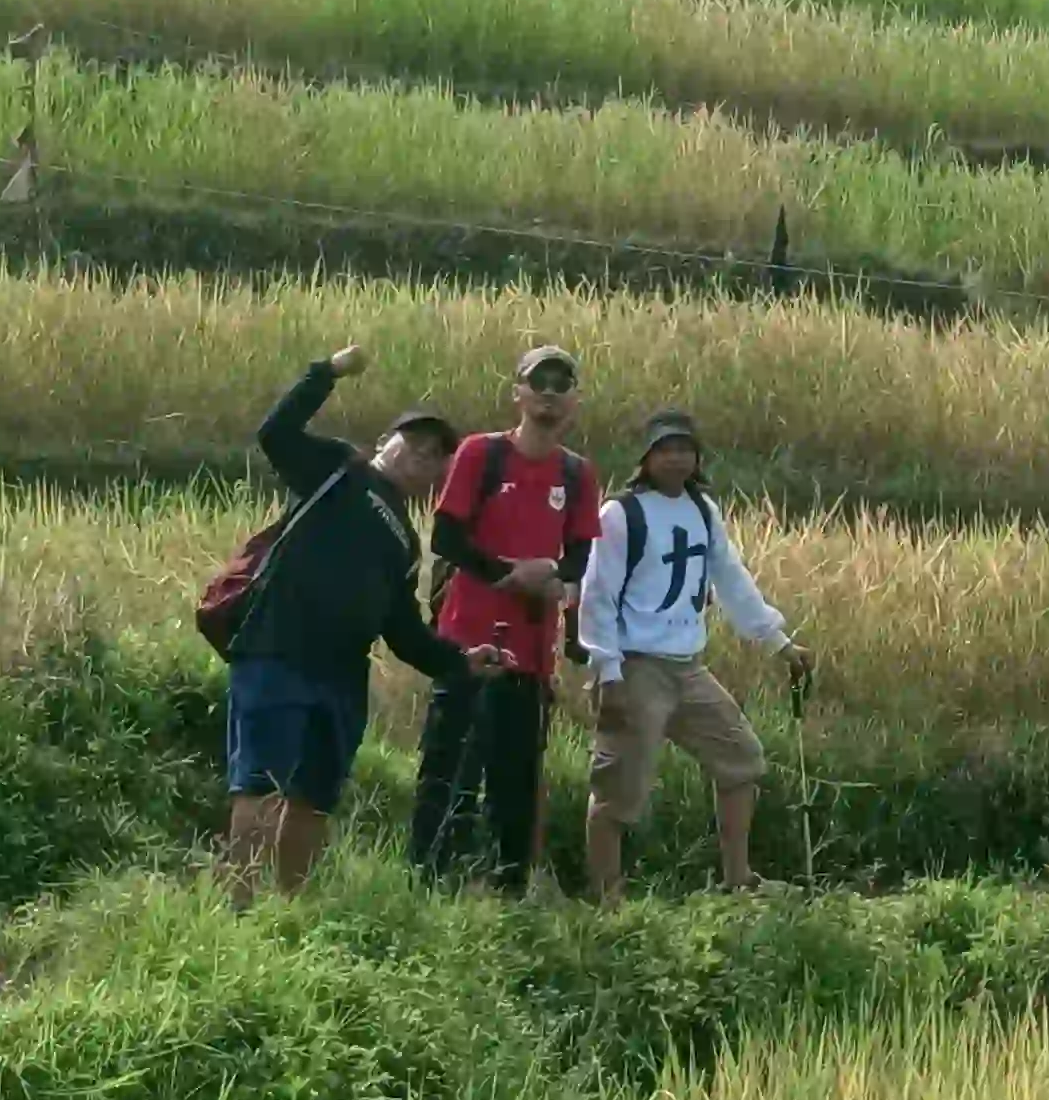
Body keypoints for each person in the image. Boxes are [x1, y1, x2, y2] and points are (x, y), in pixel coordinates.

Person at [219, 346, 507, 898]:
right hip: (276, 651)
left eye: (434, 454)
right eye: (413, 441)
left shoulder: (405, 539)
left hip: (341, 677)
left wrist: (459, 660)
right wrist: (324, 372)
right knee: (260, 785)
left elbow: (403, 630)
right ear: (384, 443)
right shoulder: (337, 469)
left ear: (437, 478)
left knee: (313, 798)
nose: (421, 454)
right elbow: (275, 433)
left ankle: (287, 914)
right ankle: (236, 910)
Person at [579, 409, 812, 899]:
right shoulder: (621, 514)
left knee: (741, 758)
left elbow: (731, 579)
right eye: (666, 449)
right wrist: (608, 670)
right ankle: (607, 899)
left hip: (688, 667)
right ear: (647, 457)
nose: (677, 458)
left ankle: (737, 878)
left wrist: (780, 643)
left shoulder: (702, 509)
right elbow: (596, 593)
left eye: (685, 449)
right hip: (636, 665)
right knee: (619, 788)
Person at [411, 342, 603, 894]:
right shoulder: (481, 454)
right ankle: (427, 883)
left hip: (533, 647)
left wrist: (553, 578)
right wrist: (508, 575)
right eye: (537, 382)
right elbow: (447, 535)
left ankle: (509, 890)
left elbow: (580, 556)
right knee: (449, 769)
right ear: (517, 392)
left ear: (574, 400)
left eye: (560, 384)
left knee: (517, 778)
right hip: (467, 638)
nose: (548, 393)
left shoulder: (577, 474)